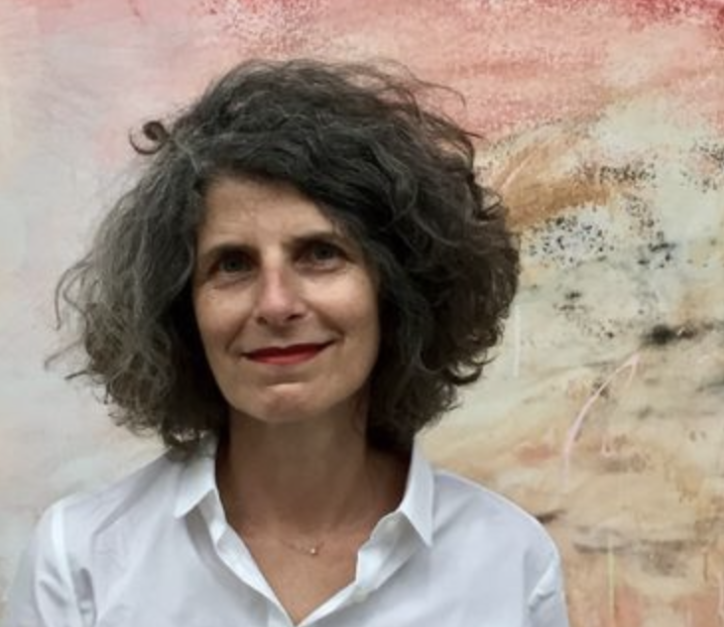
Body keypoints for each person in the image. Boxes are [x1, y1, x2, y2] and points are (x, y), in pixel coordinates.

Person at [5, 59, 569, 626]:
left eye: (321, 253)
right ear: (180, 310)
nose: (276, 304)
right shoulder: (82, 562)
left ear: (399, 289)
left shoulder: (508, 563)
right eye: (232, 264)